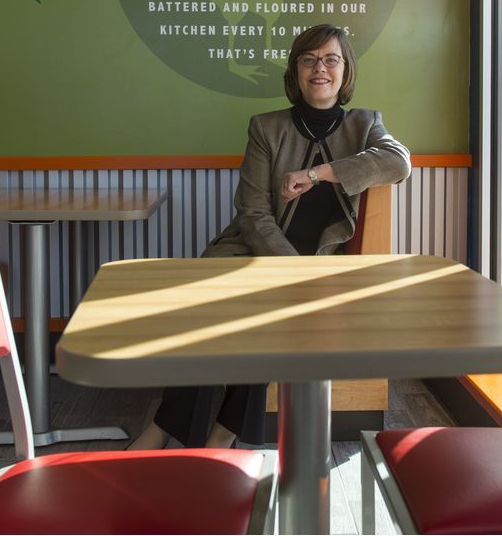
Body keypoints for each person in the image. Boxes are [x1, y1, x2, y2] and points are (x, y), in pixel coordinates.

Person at [129, 23, 411, 450]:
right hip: (252, 254)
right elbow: (253, 214)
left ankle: (210, 434)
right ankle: (175, 429)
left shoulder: (366, 124)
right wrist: (290, 270)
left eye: (331, 59)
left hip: (320, 267)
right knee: (219, 315)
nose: (320, 68)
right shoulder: (266, 127)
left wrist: (317, 174)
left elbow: (398, 162)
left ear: (346, 70)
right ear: (295, 71)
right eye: (308, 59)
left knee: (264, 314)